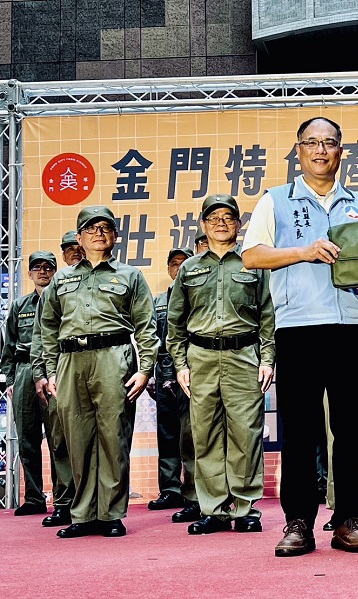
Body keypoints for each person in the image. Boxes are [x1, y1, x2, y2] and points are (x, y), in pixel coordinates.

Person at [242, 116, 358, 556]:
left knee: (351, 430)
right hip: (298, 327)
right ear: (298, 150)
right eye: (312, 142)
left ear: (341, 151)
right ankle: (298, 522)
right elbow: (252, 256)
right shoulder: (275, 200)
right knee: (300, 432)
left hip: (353, 326)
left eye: (329, 143)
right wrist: (304, 251)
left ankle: (349, 519)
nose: (321, 150)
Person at [40, 206, 158, 538]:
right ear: (79, 238)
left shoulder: (130, 276)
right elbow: (47, 327)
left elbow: (146, 326)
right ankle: (82, 514)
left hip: (114, 357)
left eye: (105, 228)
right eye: (91, 229)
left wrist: (145, 368)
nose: (99, 234)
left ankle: (110, 514)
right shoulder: (62, 279)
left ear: (116, 236)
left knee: (113, 437)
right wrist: (51, 370)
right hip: (70, 361)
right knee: (77, 440)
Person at [167, 194, 274, 535]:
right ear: (203, 225)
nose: (221, 223)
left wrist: (267, 359)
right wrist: (180, 364)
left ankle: (245, 508)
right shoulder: (189, 268)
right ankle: (213, 509)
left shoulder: (253, 263)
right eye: (213, 218)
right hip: (200, 359)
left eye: (228, 217)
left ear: (239, 224)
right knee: (206, 435)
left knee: (246, 433)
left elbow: (268, 315)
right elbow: (175, 322)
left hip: (244, 356)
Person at [30, 231, 84, 526]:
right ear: (62, 254)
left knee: (97, 441)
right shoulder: (57, 286)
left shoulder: (103, 280)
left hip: (96, 368)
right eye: (69, 249)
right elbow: (42, 334)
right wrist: (40, 373)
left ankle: (95, 503)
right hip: (60, 370)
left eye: (78, 247)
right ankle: (65, 502)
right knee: (61, 440)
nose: (75, 252)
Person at [1, 251, 60, 517]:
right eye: (38, 267)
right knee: (27, 438)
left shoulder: (61, 300)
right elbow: (9, 346)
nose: (43, 271)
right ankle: (34, 497)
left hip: (54, 369)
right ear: (29, 273)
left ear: (55, 272)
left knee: (59, 438)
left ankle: (63, 498)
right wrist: (11, 380)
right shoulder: (20, 306)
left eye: (48, 267)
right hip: (25, 370)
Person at [149, 247, 200, 523]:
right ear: (169, 269)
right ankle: (169, 489)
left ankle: (194, 491)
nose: (179, 268)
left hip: (190, 371)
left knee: (190, 434)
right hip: (164, 371)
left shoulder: (197, 294)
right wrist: (151, 374)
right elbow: (150, 338)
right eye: (174, 264)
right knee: (167, 433)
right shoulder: (157, 301)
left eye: (184, 263)